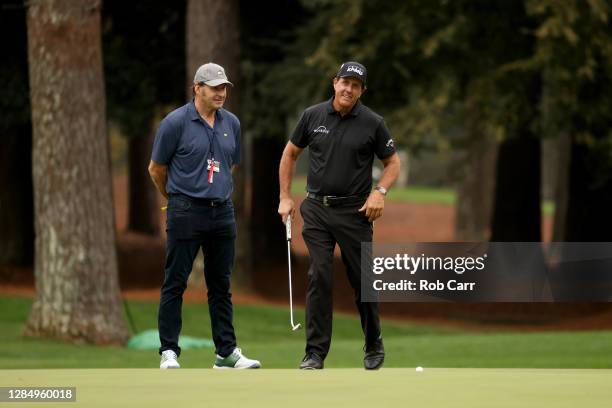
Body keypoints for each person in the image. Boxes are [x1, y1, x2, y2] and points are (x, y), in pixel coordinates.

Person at [278, 61, 400, 370]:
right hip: (317, 209)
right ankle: (315, 353)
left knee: (363, 280)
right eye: (344, 82)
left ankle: (373, 343)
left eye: (355, 85)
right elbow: (290, 153)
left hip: (354, 212)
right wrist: (284, 197)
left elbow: (393, 163)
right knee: (319, 274)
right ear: (334, 83)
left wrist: (379, 192)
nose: (348, 89)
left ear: (362, 91)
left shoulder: (373, 123)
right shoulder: (312, 116)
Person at [149, 62, 260, 369]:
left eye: (224, 87)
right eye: (214, 87)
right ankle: (168, 351)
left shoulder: (232, 123)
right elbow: (156, 169)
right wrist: (176, 197)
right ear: (197, 88)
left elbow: (229, 165)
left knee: (221, 285)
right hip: (185, 210)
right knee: (175, 282)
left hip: (222, 212)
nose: (220, 93)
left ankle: (226, 352)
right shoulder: (174, 123)